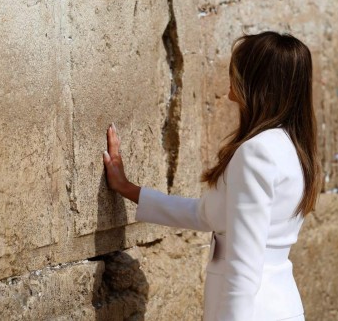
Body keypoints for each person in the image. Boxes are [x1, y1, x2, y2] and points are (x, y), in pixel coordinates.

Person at [102, 30, 321, 321]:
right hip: (279, 306)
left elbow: (244, 263)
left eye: (236, 71)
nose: (230, 79)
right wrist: (127, 188)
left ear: (255, 82)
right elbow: (207, 215)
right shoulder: (290, 147)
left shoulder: (256, 153)